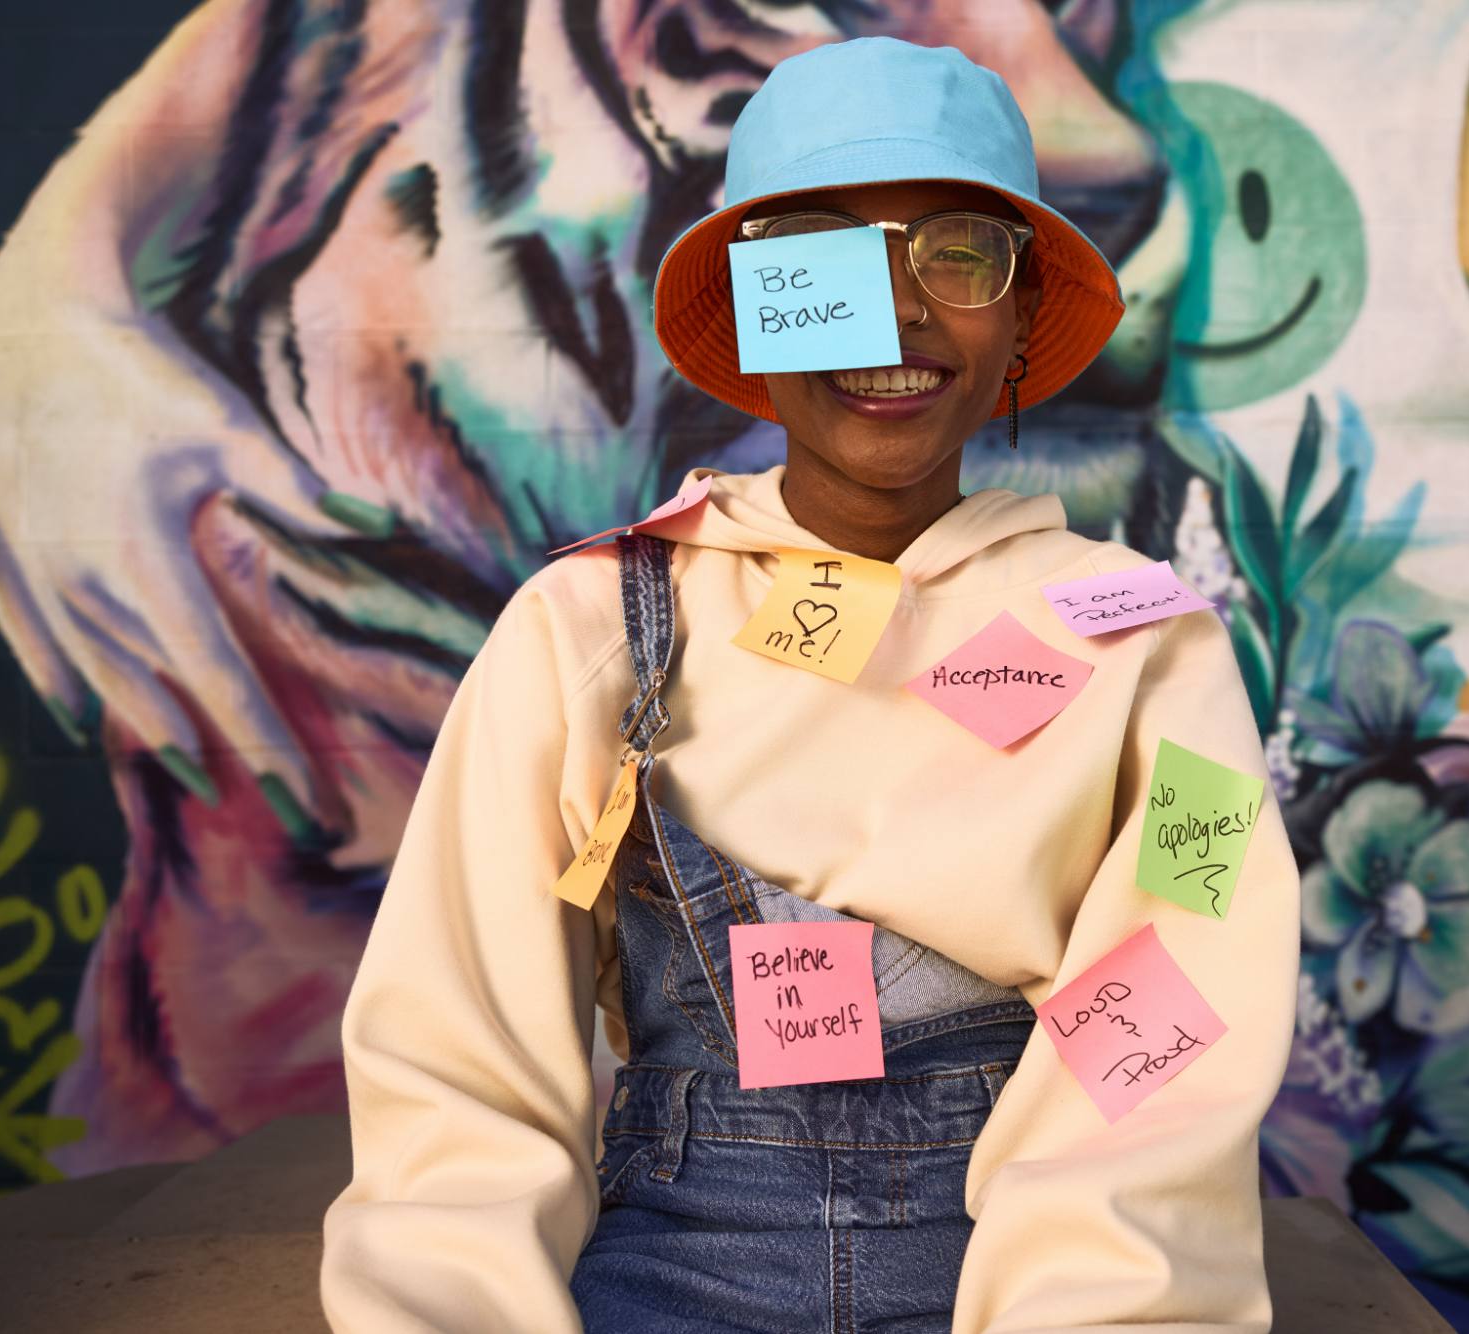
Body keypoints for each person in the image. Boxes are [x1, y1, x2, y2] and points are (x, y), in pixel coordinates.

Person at [321, 37, 1300, 1334]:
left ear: (1015, 317)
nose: (895, 313)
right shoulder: (585, 628)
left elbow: (1179, 1008)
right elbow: (459, 1060)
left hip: (1015, 1257)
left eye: (957, 253)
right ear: (751, 306)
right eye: (820, 259)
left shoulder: (1144, 644)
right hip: (682, 1250)